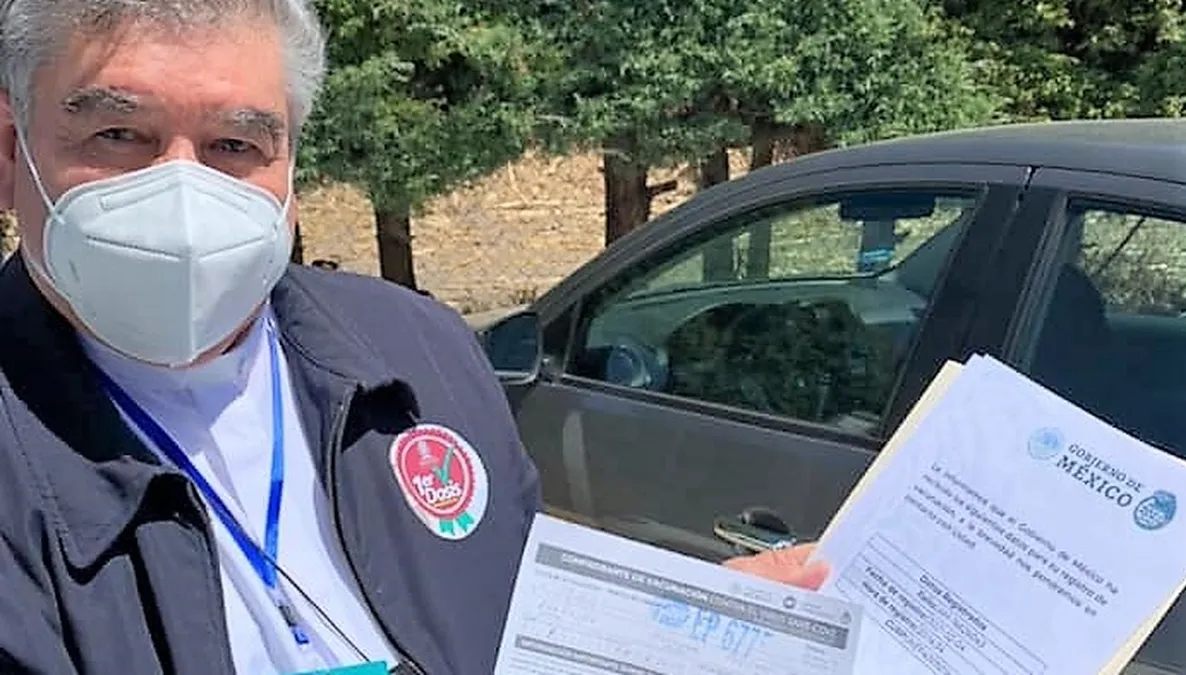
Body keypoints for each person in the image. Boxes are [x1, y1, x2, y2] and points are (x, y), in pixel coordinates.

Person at [0, 0, 828, 673]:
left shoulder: (417, 350)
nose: (182, 192)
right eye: (119, 135)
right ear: (11, 152)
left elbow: (517, 629)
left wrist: (679, 643)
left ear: (290, 170)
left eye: (236, 145)